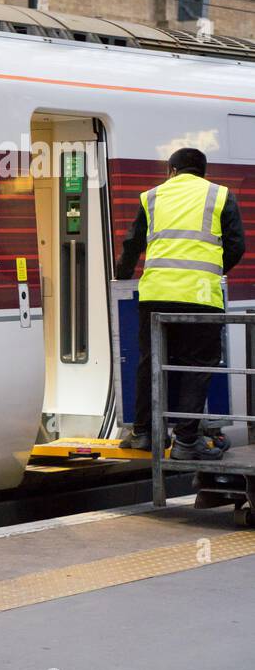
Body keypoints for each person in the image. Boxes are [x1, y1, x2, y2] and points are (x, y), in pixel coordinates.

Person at [117, 147, 244, 458]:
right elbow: (237, 244)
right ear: (203, 171)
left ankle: (145, 433)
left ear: (170, 170)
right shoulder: (220, 195)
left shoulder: (151, 197)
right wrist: (213, 272)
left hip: (156, 296)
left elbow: (132, 243)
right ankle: (187, 441)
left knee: (152, 362)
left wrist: (122, 274)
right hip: (201, 298)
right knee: (197, 365)